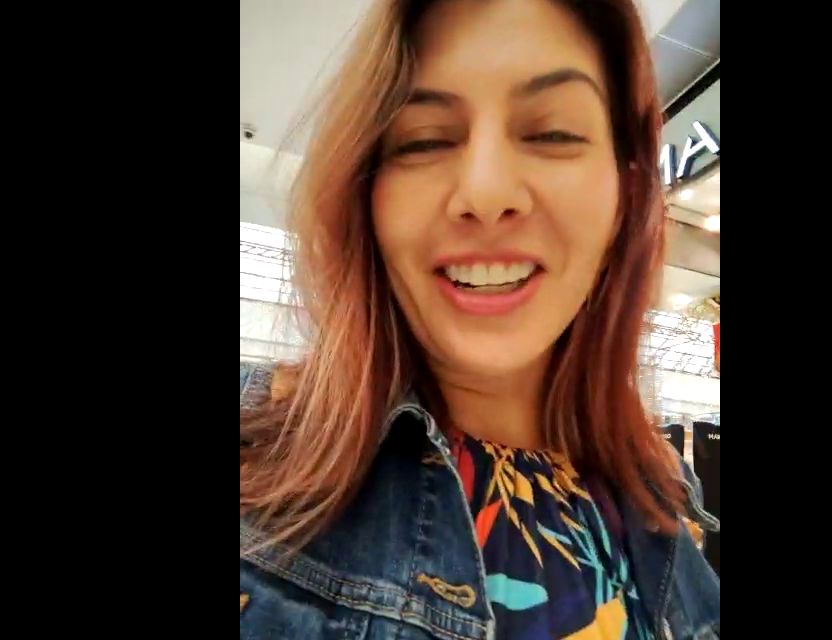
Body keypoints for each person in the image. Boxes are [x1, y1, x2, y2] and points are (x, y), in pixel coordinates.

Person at [240, 0, 720, 638]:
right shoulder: (257, 463)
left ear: (625, 192)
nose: (487, 193)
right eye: (424, 139)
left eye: (553, 134)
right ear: (366, 194)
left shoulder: (662, 488)